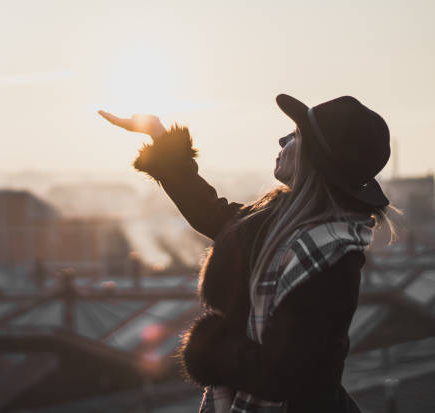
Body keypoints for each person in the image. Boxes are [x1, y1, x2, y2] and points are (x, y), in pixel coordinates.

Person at [98, 94, 395, 413]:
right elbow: (209, 212)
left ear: (315, 158)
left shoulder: (331, 256)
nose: (282, 139)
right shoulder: (277, 222)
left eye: (295, 134)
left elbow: (285, 375)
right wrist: (158, 134)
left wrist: (211, 347)